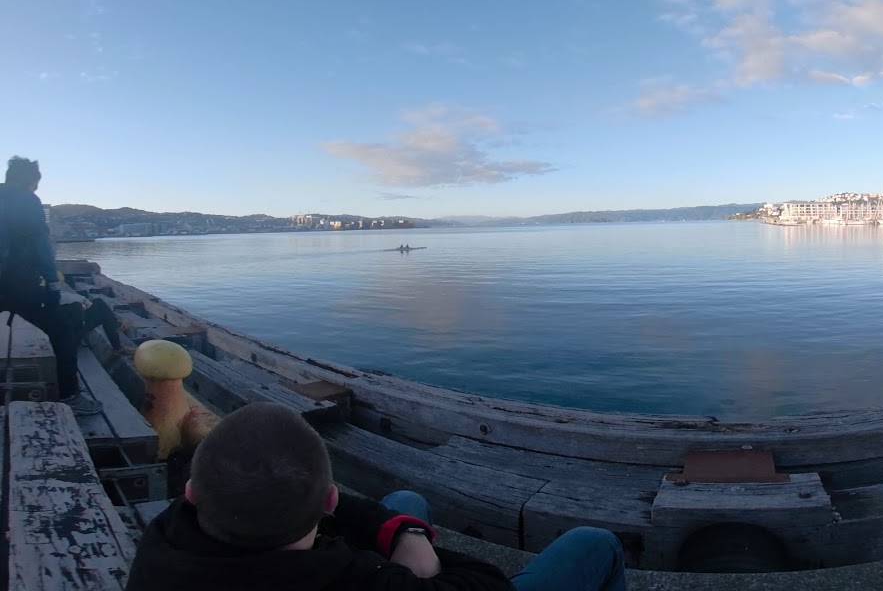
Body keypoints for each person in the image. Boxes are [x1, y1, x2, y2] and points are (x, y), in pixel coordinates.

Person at [126, 402, 627, 591]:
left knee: (406, 503)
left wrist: (402, 530)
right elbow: (485, 582)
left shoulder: (164, 542)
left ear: (192, 493)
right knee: (594, 543)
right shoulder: (359, 583)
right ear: (329, 502)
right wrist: (420, 559)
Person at [0, 156, 101, 416]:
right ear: (32, 181)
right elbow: (40, 244)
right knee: (62, 332)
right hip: (20, 283)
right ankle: (70, 395)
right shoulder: (27, 201)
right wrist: (52, 282)